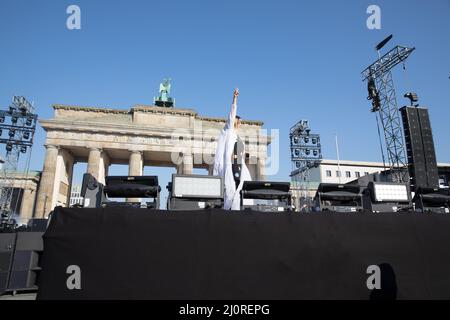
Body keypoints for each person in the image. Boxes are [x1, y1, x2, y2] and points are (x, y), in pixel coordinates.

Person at [213, 88, 252, 210]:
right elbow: (231, 114)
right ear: (235, 122)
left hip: (239, 165)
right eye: (239, 122)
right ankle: (228, 210)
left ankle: (241, 208)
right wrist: (235, 99)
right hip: (231, 165)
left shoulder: (237, 136)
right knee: (230, 190)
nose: (240, 124)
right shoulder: (229, 131)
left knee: (243, 186)